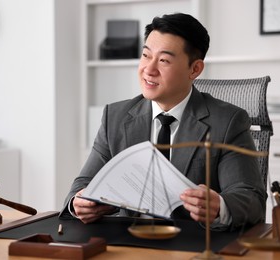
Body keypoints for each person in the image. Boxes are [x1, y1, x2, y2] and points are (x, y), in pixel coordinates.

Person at [60, 13, 266, 231]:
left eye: (164, 60)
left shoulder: (227, 121)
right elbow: (81, 187)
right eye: (146, 56)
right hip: (127, 243)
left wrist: (219, 207)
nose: (149, 69)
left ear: (194, 69)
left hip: (192, 245)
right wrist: (79, 204)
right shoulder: (116, 116)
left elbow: (251, 200)